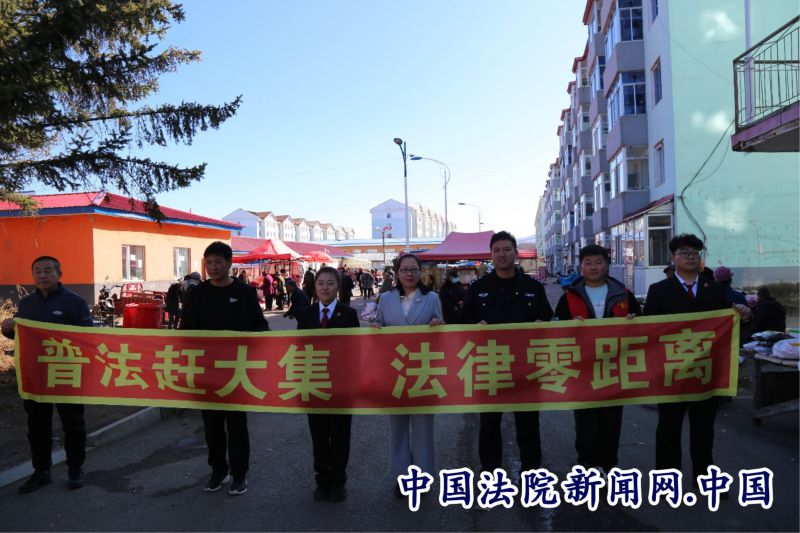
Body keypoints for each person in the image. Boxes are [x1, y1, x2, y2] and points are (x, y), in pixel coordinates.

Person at [180, 241, 269, 496]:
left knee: (237, 425)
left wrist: (250, 341)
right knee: (212, 426)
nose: (213, 267)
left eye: (218, 262)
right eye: (209, 263)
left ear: (229, 264)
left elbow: (261, 327)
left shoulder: (244, 293)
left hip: (236, 372)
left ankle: (240, 474)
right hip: (206, 371)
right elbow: (185, 332)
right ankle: (218, 471)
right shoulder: (196, 295)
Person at [462, 231, 553, 475]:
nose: (501, 254)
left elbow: (547, 316)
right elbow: (463, 320)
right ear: (491, 255)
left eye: (506, 249)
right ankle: (490, 474)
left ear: (515, 253)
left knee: (528, 424)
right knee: (489, 424)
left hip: (527, 366)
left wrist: (542, 323)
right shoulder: (478, 288)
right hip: (490, 365)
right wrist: (475, 326)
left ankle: (532, 474)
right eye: (497, 250)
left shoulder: (533, 287)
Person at [1, 256, 93, 493]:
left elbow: (89, 337)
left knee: (73, 424)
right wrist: (9, 329)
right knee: (37, 426)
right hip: (35, 376)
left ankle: (75, 468)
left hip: (66, 373)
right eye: (38, 271)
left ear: (59, 274)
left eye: (48, 270)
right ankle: (41, 471)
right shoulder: (27, 303)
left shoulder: (76, 302)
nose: (42, 275)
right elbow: (22, 336)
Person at [643, 234, 730, 483]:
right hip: (672, 371)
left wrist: (744, 316)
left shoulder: (714, 289)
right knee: (668, 427)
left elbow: (727, 324)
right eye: (684, 253)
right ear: (674, 258)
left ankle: (704, 477)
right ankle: (666, 480)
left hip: (704, 371)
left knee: (704, 429)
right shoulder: (659, 290)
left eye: (695, 253)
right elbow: (648, 329)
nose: (690, 257)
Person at [554, 245, 641, 474]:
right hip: (582, 371)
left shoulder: (623, 294)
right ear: (581, 266)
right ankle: (586, 465)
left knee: (611, 422)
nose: (593, 267)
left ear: (607, 264)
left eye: (598, 262)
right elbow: (555, 330)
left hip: (614, 369)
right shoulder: (569, 297)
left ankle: (609, 466)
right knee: (585, 422)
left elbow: (643, 326)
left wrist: (634, 321)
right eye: (588, 262)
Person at [373, 253, 444, 496]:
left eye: (414, 269)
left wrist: (439, 325)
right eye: (404, 269)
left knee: (423, 429)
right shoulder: (385, 299)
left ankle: (421, 478)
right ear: (397, 272)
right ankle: (403, 477)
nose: (409, 274)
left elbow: (442, 331)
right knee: (398, 428)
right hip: (395, 373)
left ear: (420, 272)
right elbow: (379, 325)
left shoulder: (432, 298)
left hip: (423, 371)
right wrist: (376, 327)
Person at [296, 267, 360, 502]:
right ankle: (322, 480)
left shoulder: (349, 314)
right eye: (321, 283)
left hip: (341, 386)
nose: (325, 288)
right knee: (319, 435)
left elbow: (356, 350)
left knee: (340, 435)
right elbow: (299, 348)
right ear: (315, 287)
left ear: (338, 287)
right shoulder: (306, 314)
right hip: (314, 384)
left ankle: (338, 481)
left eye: (330, 283)